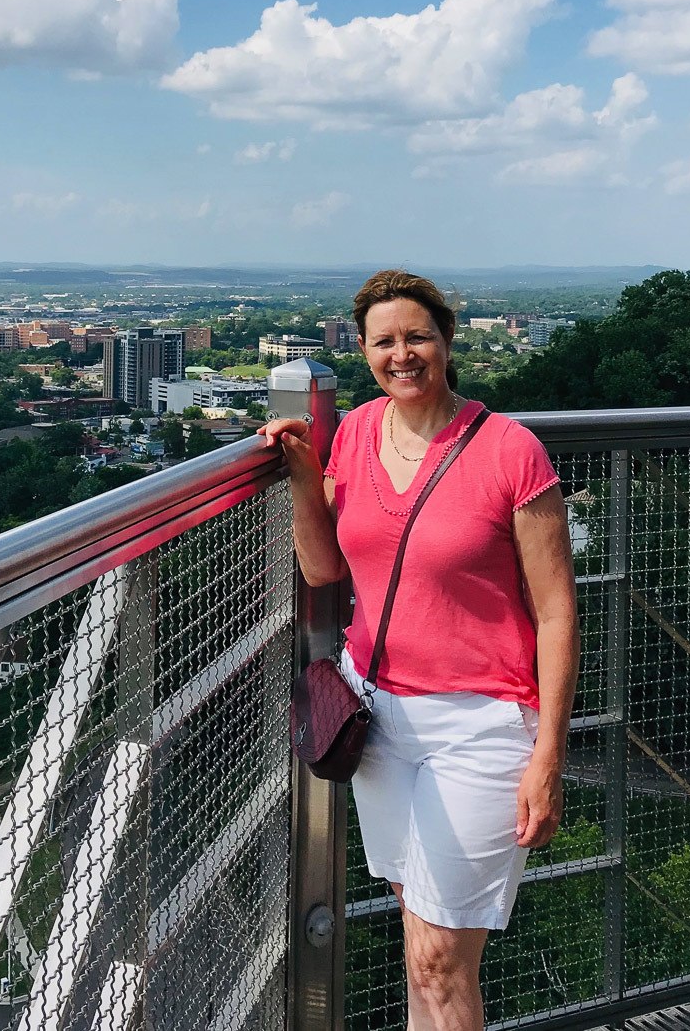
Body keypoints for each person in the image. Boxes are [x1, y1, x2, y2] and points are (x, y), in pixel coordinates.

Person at [261, 269, 578, 1031]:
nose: (402, 354)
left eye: (417, 337)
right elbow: (322, 569)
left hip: (481, 725)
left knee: (439, 959)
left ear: (445, 342)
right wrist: (305, 479)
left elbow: (559, 612)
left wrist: (548, 758)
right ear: (362, 351)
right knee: (422, 948)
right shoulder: (362, 432)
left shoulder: (510, 451)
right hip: (379, 718)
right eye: (384, 342)